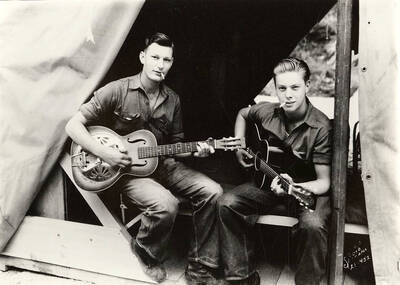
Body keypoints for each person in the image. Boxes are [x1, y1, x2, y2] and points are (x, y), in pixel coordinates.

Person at [65, 32, 223, 284]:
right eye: (155, 57)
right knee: (166, 205)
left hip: (164, 164)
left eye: (167, 60)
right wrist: (105, 153)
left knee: (212, 190)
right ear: (143, 57)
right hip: (126, 171)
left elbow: (176, 145)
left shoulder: (173, 99)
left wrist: (196, 149)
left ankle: (199, 266)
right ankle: (147, 251)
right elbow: (73, 125)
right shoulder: (117, 90)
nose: (161, 65)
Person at [217, 57, 332, 285]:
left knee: (314, 225)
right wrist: (240, 146)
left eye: (295, 87)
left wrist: (295, 187)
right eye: (282, 88)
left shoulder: (321, 127)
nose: (288, 95)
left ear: (307, 86)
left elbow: (324, 182)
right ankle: (241, 276)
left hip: (305, 189)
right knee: (226, 203)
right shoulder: (267, 112)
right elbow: (242, 113)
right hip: (269, 182)